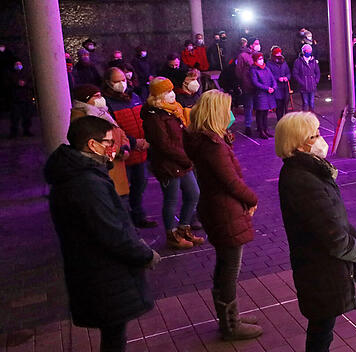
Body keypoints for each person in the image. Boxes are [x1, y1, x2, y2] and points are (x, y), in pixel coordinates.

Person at [45, 115, 160, 352]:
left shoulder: (78, 175)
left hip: (95, 269)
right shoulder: (86, 183)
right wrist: (144, 254)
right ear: (91, 144)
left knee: (114, 332)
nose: (112, 147)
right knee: (114, 335)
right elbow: (111, 231)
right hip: (102, 271)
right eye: (108, 142)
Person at [275, 112, 356, 352]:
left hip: (319, 267)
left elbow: (333, 218)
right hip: (320, 268)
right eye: (313, 136)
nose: (320, 140)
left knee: (323, 325)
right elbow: (333, 238)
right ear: (298, 143)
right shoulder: (303, 180)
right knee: (321, 328)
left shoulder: (309, 171)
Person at [183, 91, 264, 340]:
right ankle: (230, 324)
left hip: (217, 207)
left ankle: (231, 317)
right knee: (230, 268)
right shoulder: (213, 146)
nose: (232, 114)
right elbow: (230, 181)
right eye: (228, 109)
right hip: (224, 209)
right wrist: (253, 198)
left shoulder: (206, 141)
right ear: (217, 113)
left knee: (225, 266)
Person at [142, 77, 204, 250]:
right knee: (171, 199)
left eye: (171, 90)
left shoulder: (173, 110)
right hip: (168, 164)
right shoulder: (154, 116)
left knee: (194, 193)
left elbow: (181, 134)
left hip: (182, 160)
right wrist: (185, 158)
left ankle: (184, 227)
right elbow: (163, 144)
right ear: (159, 95)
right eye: (167, 91)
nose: (171, 94)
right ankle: (172, 234)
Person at [101, 68, 155, 228]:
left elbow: (144, 118)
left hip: (141, 151)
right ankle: (125, 222)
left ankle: (138, 214)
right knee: (122, 190)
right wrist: (133, 142)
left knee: (140, 185)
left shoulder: (134, 96)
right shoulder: (107, 103)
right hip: (124, 152)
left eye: (123, 80)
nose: (121, 84)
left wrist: (146, 139)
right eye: (117, 81)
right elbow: (114, 129)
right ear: (108, 83)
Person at [236, 39, 261, 135]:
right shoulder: (243, 56)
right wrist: (243, 81)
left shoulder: (259, 55)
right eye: (256, 44)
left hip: (259, 85)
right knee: (249, 106)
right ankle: (248, 126)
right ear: (251, 45)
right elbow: (238, 71)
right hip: (248, 85)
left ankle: (260, 125)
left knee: (260, 105)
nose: (258, 45)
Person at [250, 52, 276, 139]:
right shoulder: (253, 70)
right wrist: (266, 88)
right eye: (259, 59)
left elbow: (272, 79)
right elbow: (255, 82)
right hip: (260, 94)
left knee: (266, 113)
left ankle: (266, 129)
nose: (261, 61)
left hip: (268, 94)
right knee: (260, 113)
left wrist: (273, 87)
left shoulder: (266, 68)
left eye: (262, 58)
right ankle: (261, 130)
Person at [6, 61, 34, 138]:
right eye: (16, 64)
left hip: (26, 98)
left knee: (27, 116)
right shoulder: (11, 74)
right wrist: (17, 83)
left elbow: (31, 84)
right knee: (15, 117)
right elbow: (8, 84)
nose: (18, 66)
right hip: (16, 99)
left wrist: (25, 84)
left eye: (19, 64)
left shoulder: (26, 74)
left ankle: (26, 130)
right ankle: (14, 132)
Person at [292, 44, 320, 112]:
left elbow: (317, 72)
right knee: (305, 103)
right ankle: (305, 118)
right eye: (307, 51)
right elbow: (295, 73)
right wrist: (301, 82)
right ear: (303, 52)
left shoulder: (313, 61)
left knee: (312, 103)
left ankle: (312, 118)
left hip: (312, 86)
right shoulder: (298, 62)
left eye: (310, 51)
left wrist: (316, 81)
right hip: (303, 87)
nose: (309, 52)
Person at [268, 46, 291, 121]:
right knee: (279, 106)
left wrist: (287, 77)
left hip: (285, 87)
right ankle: (280, 121)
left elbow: (288, 72)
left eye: (280, 52)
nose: (279, 54)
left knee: (285, 105)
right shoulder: (269, 63)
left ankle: (286, 121)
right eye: (277, 53)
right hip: (277, 88)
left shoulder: (284, 62)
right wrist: (278, 78)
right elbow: (269, 75)